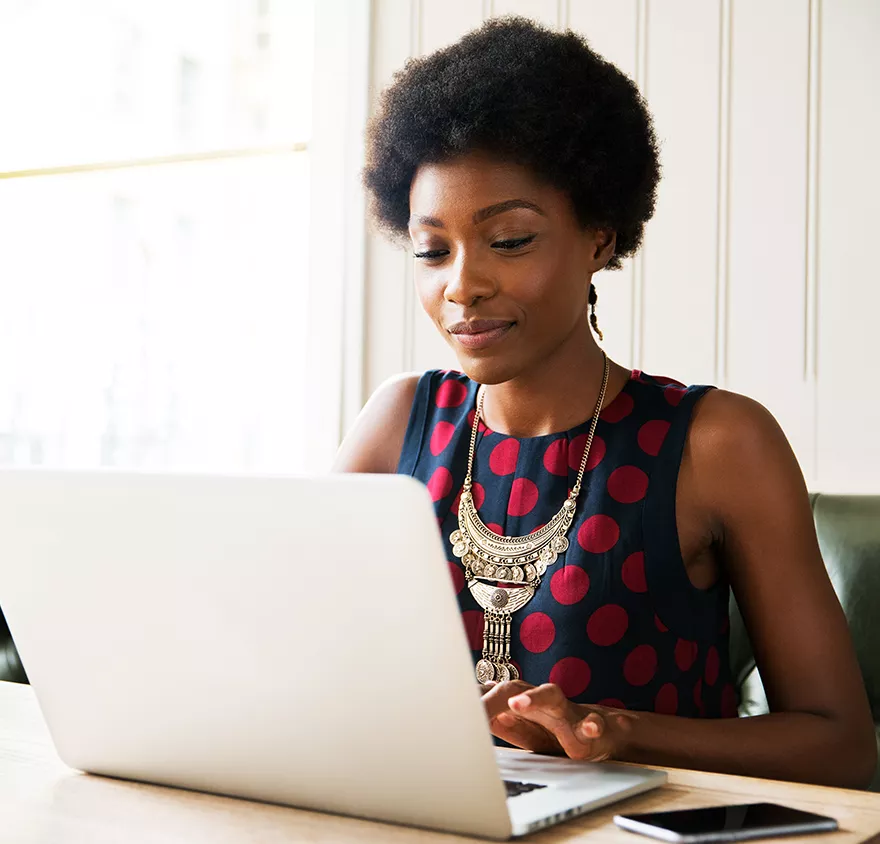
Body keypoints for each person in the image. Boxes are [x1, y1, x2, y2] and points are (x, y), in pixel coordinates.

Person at [334, 17, 876, 788]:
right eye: (432, 250)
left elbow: (842, 748)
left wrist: (615, 734)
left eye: (510, 240)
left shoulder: (716, 443)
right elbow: (305, 668)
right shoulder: (396, 425)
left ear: (598, 234)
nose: (461, 285)